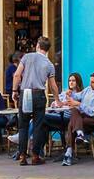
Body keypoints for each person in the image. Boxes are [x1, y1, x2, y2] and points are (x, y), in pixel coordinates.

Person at [10, 36, 59, 166]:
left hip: (25, 93)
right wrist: (58, 100)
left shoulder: (27, 57)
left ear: (37, 45)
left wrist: (14, 91)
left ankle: (22, 156)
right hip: (39, 94)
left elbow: (17, 75)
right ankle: (36, 155)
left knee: (23, 126)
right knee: (38, 125)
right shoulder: (49, 64)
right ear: (47, 49)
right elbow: (53, 86)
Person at [59, 71, 94, 166]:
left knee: (72, 123)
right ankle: (79, 134)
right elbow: (77, 96)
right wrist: (70, 93)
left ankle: (69, 153)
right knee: (74, 112)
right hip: (82, 119)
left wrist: (79, 104)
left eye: (93, 82)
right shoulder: (88, 89)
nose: (90, 84)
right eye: (90, 81)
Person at [38, 73, 84, 158]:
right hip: (58, 115)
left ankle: (26, 141)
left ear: (78, 82)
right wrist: (58, 103)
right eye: (70, 80)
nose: (71, 82)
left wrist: (63, 103)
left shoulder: (81, 94)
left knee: (40, 118)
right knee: (43, 124)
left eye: (73, 80)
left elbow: (79, 106)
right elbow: (54, 103)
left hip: (68, 118)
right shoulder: (64, 92)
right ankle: (39, 151)